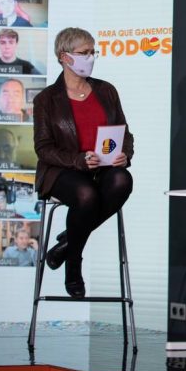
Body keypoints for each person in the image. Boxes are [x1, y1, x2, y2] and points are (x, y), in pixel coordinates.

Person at [33, 27, 134, 298]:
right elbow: (43, 149)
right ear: (64, 57)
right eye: (84, 53)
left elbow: (125, 132)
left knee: (123, 179)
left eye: (93, 52)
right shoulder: (46, 99)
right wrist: (78, 160)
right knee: (86, 195)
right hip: (62, 171)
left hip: (103, 168)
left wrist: (125, 153)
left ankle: (68, 244)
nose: (90, 58)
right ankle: (74, 265)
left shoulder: (106, 90)